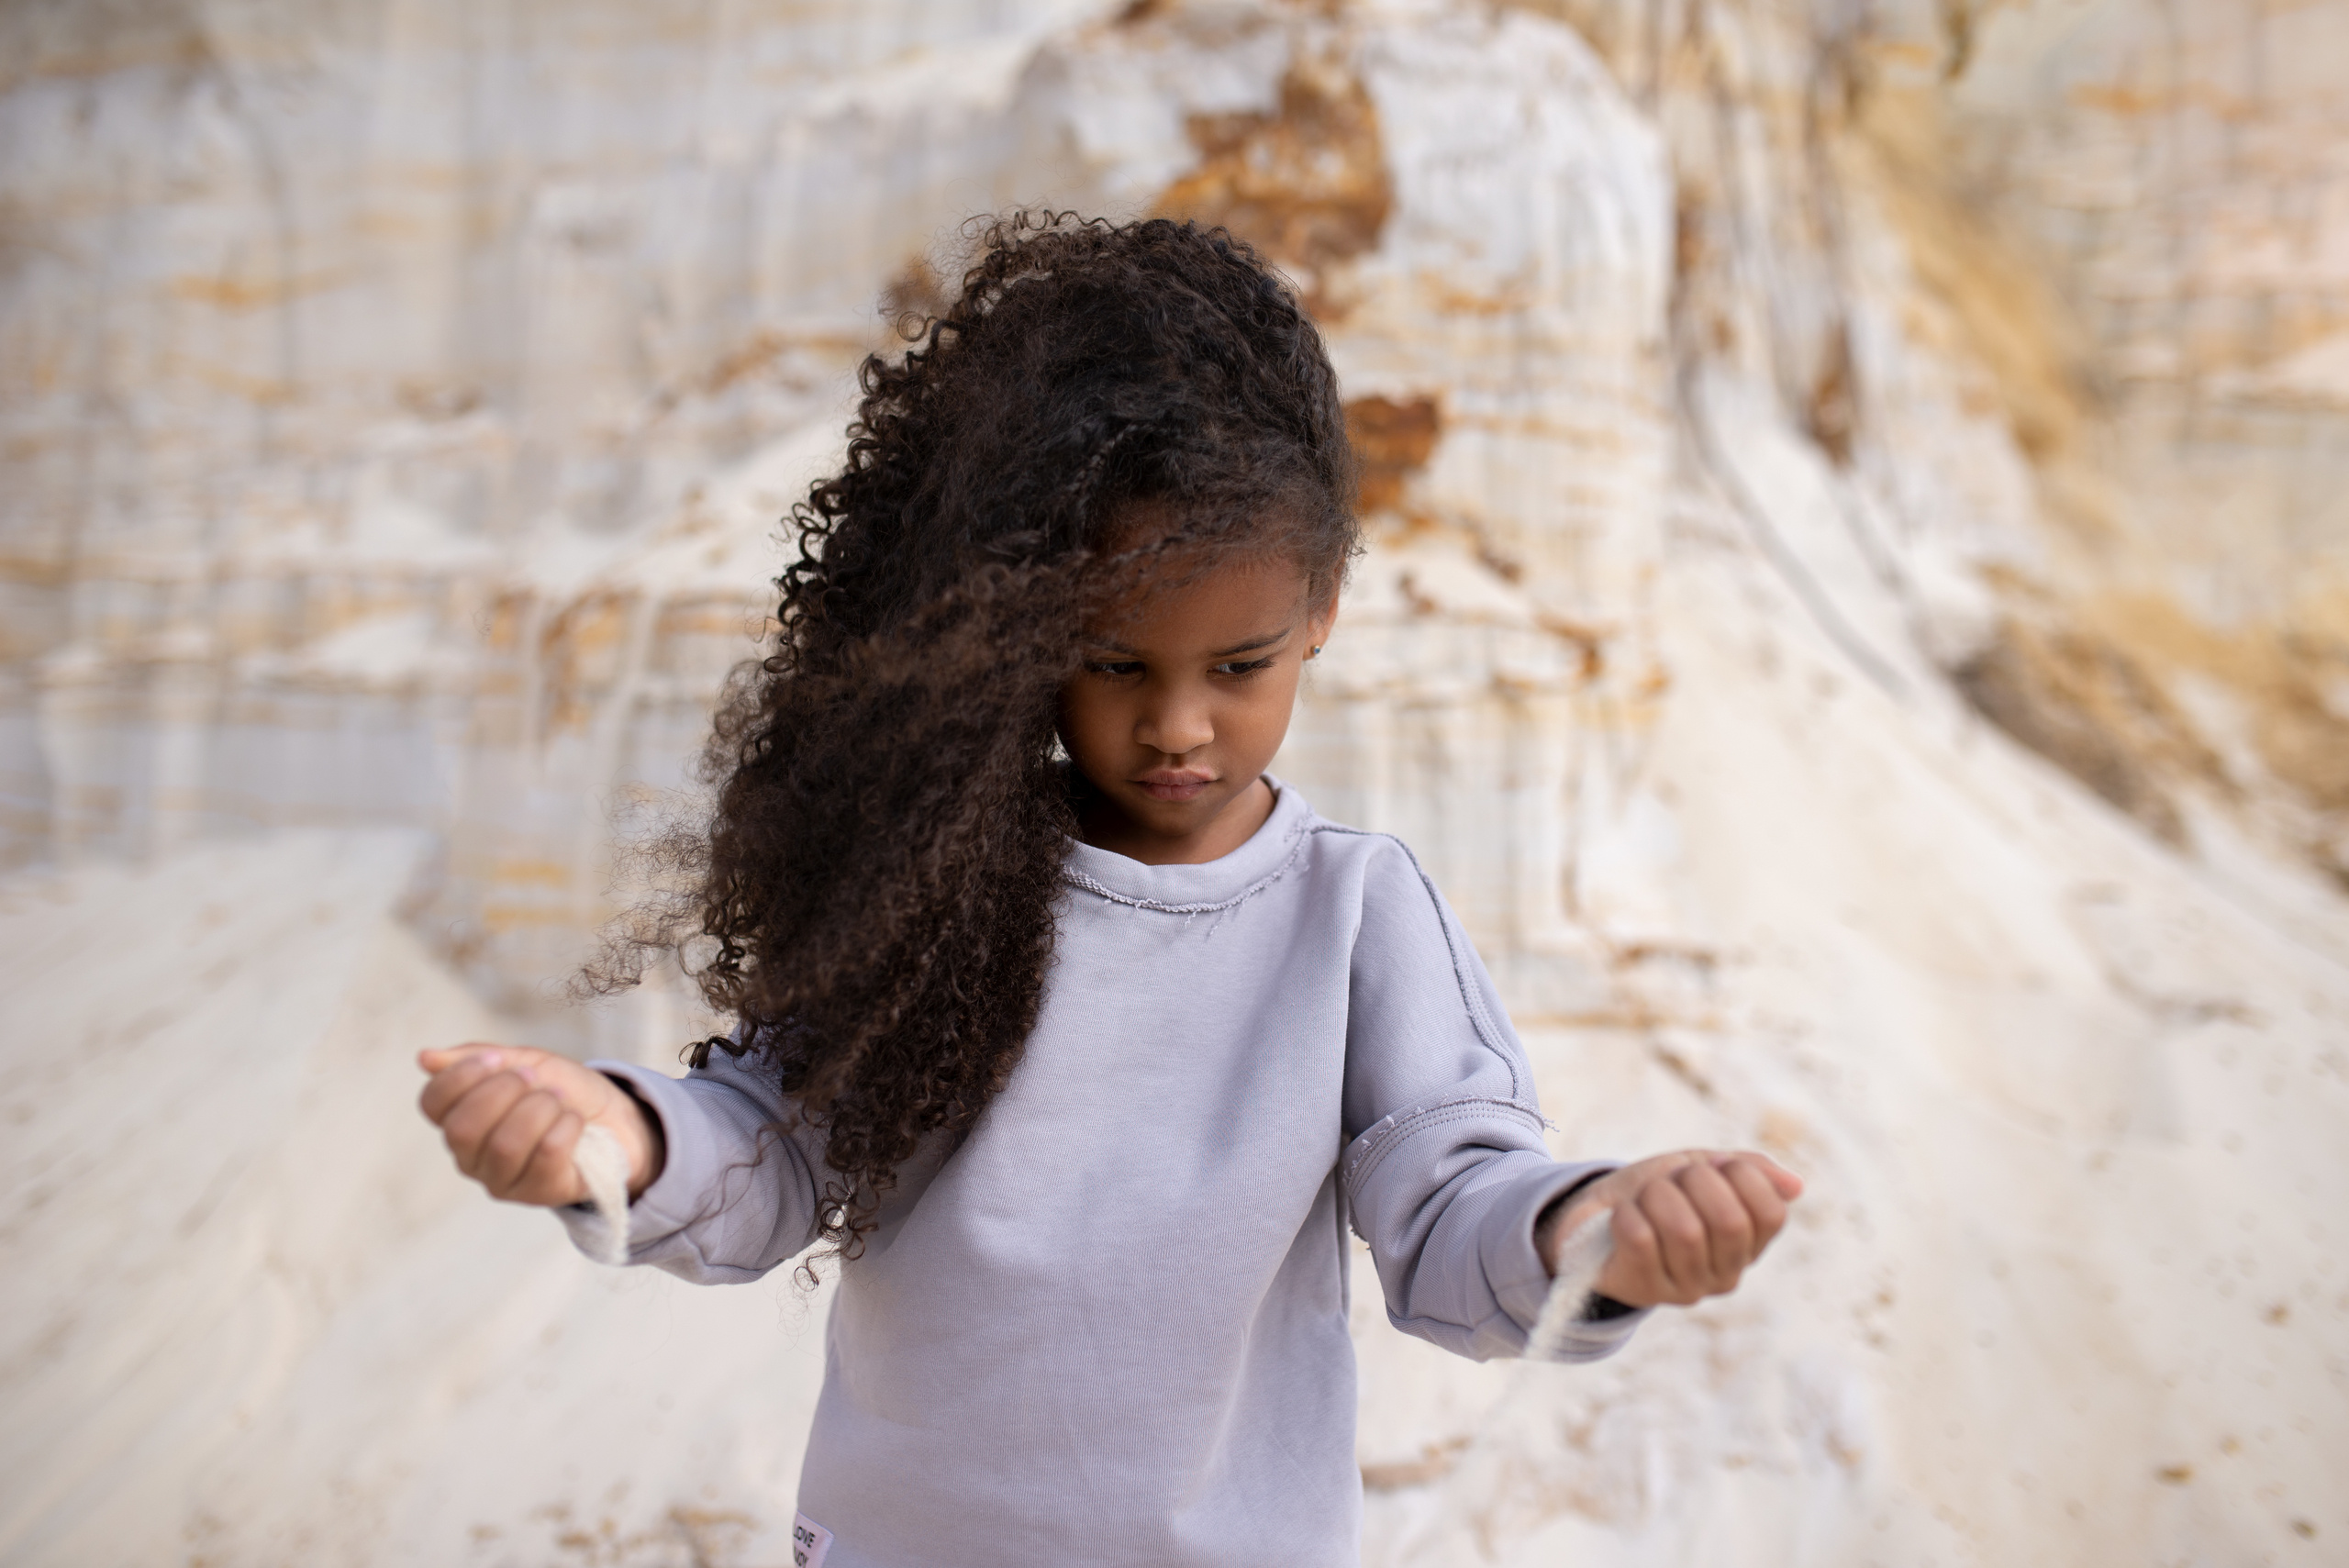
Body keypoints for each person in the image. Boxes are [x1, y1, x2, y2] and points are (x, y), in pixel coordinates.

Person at [416, 213, 1801, 1568]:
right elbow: (766, 1151)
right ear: (1020, 630)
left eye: (1240, 666)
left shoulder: (1357, 917)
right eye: (1117, 665)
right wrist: (623, 1138)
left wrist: (1596, 1230)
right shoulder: (936, 879)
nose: (1181, 725)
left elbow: (1453, 1227)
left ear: (1323, 601)